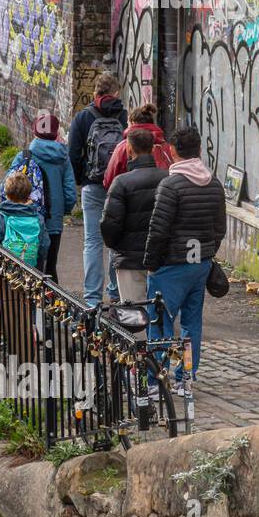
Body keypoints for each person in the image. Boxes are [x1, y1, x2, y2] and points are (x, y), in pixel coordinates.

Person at [142, 125, 226, 395]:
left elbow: (158, 230)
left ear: (172, 151)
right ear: (199, 151)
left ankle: (156, 380)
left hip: (169, 265)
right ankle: (185, 377)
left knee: (160, 322)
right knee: (192, 325)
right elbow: (219, 228)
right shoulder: (214, 184)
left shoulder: (170, 185)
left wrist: (151, 263)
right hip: (199, 265)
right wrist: (207, 253)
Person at [68, 72, 127, 306]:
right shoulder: (123, 116)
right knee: (116, 240)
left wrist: (81, 179)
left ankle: (92, 297)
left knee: (92, 242)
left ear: (96, 92)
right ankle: (115, 291)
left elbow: (72, 154)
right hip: (119, 187)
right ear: (116, 93)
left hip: (92, 186)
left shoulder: (83, 118)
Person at [100, 128, 169, 303]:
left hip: (129, 258)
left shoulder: (122, 182)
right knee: (160, 312)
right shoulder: (168, 179)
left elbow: (109, 224)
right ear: (153, 149)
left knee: (134, 316)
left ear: (129, 149)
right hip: (163, 256)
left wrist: (116, 247)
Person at [0, 171, 50, 354]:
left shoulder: (2, 216)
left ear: (6, 195)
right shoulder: (37, 217)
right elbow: (44, 243)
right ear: (29, 195)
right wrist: (38, 265)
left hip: (4, 269)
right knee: (27, 300)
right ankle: (27, 332)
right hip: (28, 268)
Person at [6, 112, 75, 282]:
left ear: (35, 131)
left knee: (27, 266)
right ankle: (52, 306)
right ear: (56, 133)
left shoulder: (24, 156)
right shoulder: (63, 158)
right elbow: (70, 194)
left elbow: (6, 187)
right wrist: (62, 212)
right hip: (53, 221)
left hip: (26, 219)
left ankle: (28, 306)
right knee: (50, 268)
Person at [102, 102, 175, 189]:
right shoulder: (166, 147)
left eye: (128, 122)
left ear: (132, 122)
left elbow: (109, 181)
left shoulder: (123, 146)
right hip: (162, 198)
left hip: (130, 197)